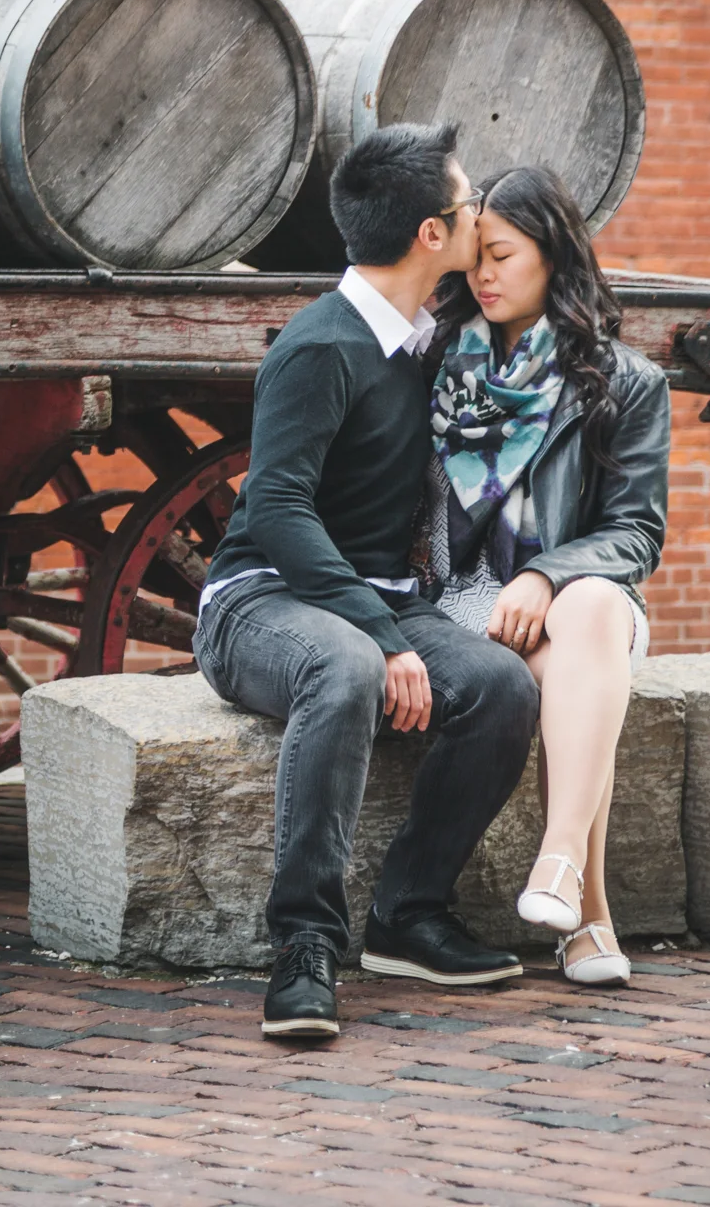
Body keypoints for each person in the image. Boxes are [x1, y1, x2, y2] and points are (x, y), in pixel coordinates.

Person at [194, 121, 540, 1042]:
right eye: (469, 208)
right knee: (344, 668)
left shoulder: (428, 338)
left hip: (377, 598)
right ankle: (304, 947)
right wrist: (383, 637)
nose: (479, 220)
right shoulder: (322, 346)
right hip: (261, 601)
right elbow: (276, 512)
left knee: (502, 686)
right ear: (431, 233)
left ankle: (408, 914)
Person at [421, 165, 669, 987]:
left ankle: (559, 859)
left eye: (503, 255)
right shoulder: (433, 368)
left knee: (589, 611)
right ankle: (586, 914)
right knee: (560, 671)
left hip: (580, 604)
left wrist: (549, 576)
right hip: (458, 601)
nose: (483, 275)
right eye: (476, 258)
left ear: (554, 255)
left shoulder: (625, 382)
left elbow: (635, 532)